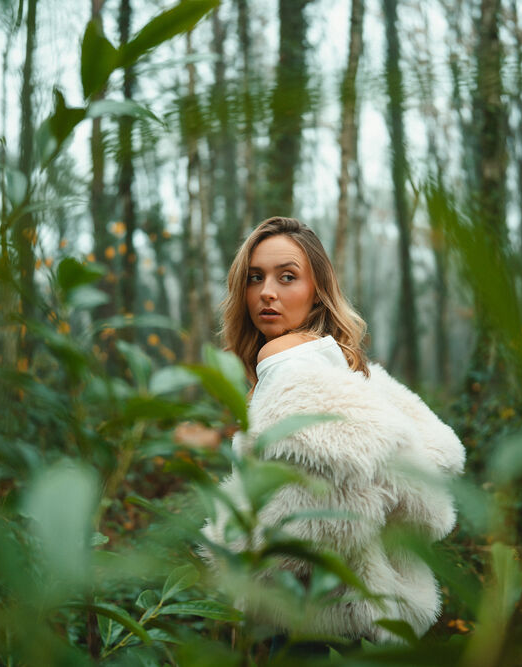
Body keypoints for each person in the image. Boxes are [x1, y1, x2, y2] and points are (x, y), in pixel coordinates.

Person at [200, 216, 465, 645]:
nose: (267, 292)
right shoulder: (346, 371)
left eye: (287, 277)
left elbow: (326, 506)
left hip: (311, 618)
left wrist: (237, 547)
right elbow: (433, 465)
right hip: (358, 616)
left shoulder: (287, 362)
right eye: (255, 277)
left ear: (317, 291)